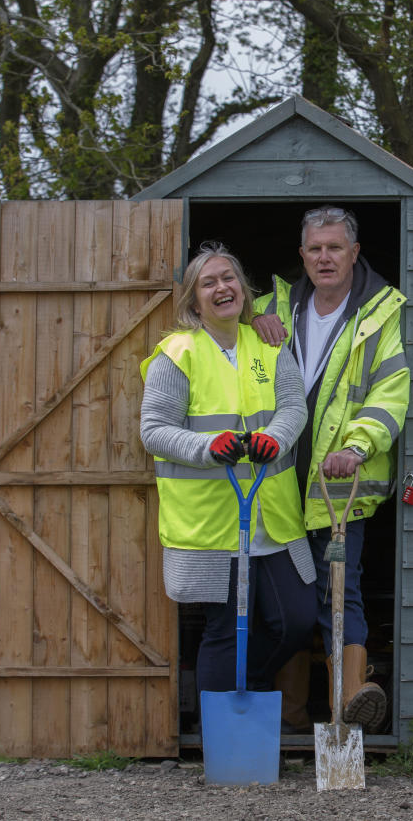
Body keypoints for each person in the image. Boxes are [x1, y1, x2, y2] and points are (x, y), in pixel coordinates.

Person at [252, 206, 409, 732]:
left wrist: (359, 447)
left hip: (339, 485)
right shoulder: (274, 306)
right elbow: (217, 326)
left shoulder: (379, 315)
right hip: (276, 484)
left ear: (354, 253)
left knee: (341, 590)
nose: (324, 257)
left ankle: (348, 706)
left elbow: (390, 392)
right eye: (315, 248)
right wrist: (253, 320)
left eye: (334, 248)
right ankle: (293, 718)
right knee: (289, 600)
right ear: (302, 255)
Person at [139, 242, 316, 701]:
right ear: (193, 300)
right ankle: (219, 738)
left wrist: (275, 438)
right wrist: (206, 447)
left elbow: (293, 408)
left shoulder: (270, 345)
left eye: (229, 278)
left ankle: (247, 685)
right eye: (209, 282)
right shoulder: (177, 354)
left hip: (272, 517)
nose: (222, 288)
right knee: (224, 631)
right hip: (212, 522)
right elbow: (154, 430)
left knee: (296, 620)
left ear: (244, 288)